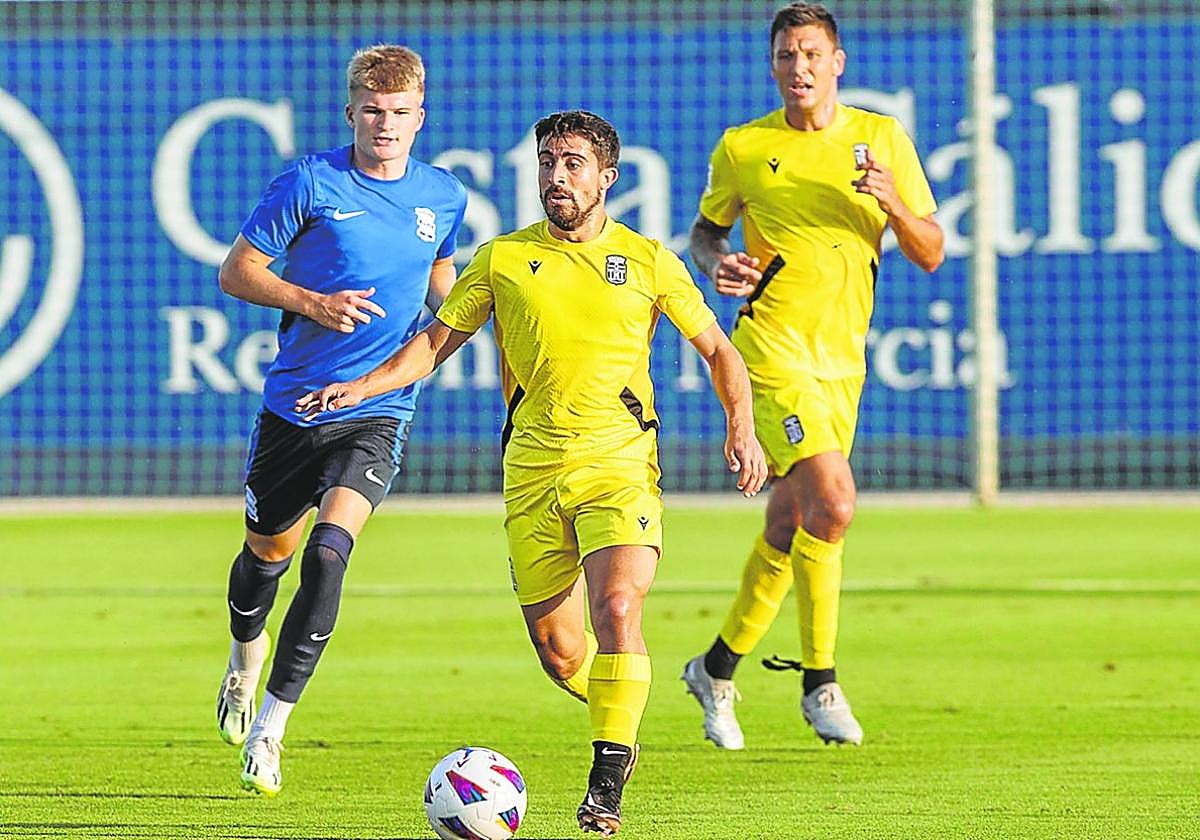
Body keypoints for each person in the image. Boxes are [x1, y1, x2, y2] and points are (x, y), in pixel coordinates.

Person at [295, 110, 767, 836]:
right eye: (548, 162)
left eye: (573, 163)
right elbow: (434, 343)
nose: (556, 176)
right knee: (561, 651)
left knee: (619, 609)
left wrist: (741, 425)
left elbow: (719, 351)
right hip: (532, 471)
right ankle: (620, 711)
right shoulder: (503, 259)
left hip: (618, 465)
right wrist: (360, 388)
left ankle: (606, 779)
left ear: (607, 177)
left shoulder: (648, 260)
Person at [680, 2, 944, 750]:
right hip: (769, 350)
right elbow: (705, 233)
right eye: (786, 55)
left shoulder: (880, 139)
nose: (799, 67)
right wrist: (717, 263)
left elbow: (930, 251)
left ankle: (715, 668)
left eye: (811, 54)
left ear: (837, 62)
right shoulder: (745, 146)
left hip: (842, 362)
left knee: (791, 523)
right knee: (835, 501)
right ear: (773, 66)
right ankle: (819, 681)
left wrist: (893, 203)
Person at [213, 44, 467, 796]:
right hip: (295, 407)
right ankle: (243, 661)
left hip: (377, 408)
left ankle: (272, 730)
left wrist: (471, 313)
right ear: (350, 112)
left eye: (399, 112)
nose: (385, 124)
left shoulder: (443, 195)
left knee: (328, 553)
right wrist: (314, 303)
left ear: (420, 117)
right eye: (373, 111)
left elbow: (442, 279)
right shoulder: (310, 182)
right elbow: (236, 272)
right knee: (268, 555)